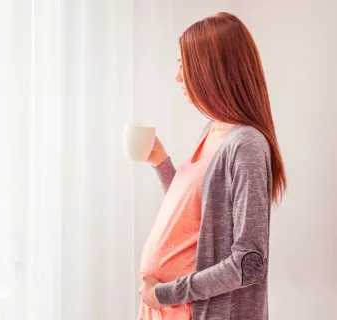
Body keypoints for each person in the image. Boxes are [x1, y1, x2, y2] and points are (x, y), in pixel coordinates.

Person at [137, 12, 286, 320]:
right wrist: (161, 162)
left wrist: (165, 293)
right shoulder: (212, 129)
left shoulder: (245, 145)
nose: (178, 76)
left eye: (184, 64)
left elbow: (249, 264)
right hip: (171, 309)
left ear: (212, 68)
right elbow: (191, 219)